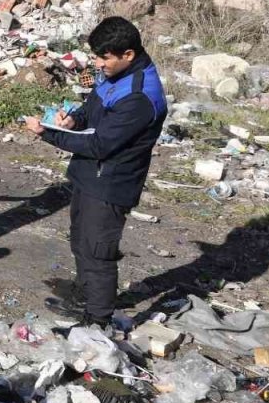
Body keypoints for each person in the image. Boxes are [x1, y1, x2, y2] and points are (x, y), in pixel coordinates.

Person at [23, 17, 168, 329]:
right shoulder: (115, 73)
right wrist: (73, 120)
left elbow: (101, 144)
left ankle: (97, 321)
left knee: (98, 251)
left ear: (128, 54)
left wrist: (46, 134)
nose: (99, 64)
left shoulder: (141, 95)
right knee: (80, 239)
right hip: (89, 174)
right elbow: (93, 106)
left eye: (105, 58)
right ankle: (83, 294)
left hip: (111, 181)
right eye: (97, 57)